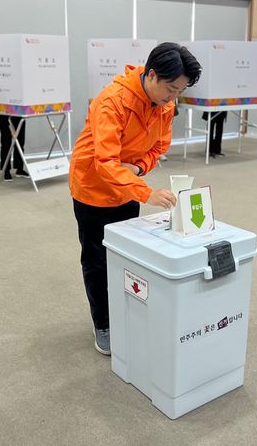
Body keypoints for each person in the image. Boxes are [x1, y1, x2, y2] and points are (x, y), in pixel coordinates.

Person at [70, 42, 201, 355]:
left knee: (126, 255)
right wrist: (147, 192)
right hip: (93, 188)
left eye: (180, 91)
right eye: (170, 89)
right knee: (97, 260)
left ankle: (126, 313)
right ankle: (102, 322)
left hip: (127, 186)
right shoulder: (111, 101)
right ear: (151, 75)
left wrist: (140, 166)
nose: (173, 98)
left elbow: (159, 146)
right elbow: (104, 162)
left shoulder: (165, 104)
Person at [0, 113, 28, 181]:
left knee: (20, 141)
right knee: (6, 143)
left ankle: (19, 169)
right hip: (3, 113)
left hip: (18, 111)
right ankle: (6, 171)